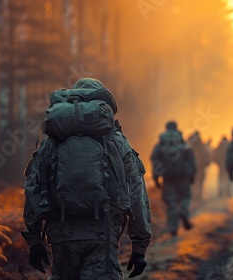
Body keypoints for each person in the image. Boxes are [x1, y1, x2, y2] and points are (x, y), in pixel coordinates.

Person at [21, 78, 152, 279]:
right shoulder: (116, 141)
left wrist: (34, 240)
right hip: (102, 234)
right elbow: (136, 190)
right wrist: (139, 245)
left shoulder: (52, 143)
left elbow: (32, 188)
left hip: (61, 235)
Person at [151, 121, 196, 237]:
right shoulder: (182, 142)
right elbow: (191, 159)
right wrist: (192, 175)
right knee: (185, 196)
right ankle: (184, 212)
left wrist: (156, 178)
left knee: (171, 202)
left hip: (168, 177)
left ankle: (173, 228)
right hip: (183, 176)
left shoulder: (161, 145)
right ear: (176, 128)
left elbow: (155, 160)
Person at [187, 131, 211, 201]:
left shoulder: (190, 144)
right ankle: (198, 196)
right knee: (200, 182)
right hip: (200, 168)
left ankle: (194, 197)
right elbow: (206, 156)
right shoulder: (201, 145)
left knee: (193, 183)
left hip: (192, 168)